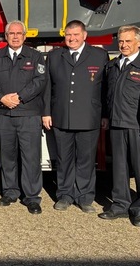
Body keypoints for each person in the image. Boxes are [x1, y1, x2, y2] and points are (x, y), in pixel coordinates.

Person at [42, 20, 108, 213]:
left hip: (89, 117)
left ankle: (85, 197)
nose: (71, 38)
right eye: (68, 35)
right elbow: (48, 87)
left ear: (85, 35)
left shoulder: (99, 55)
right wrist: (46, 112)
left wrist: (105, 114)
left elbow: (105, 89)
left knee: (86, 159)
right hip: (61, 116)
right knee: (64, 159)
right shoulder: (55, 56)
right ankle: (64, 195)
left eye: (76, 35)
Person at [0, 20, 46, 214]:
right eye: (11, 33)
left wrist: (19, 97)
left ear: (25, 36)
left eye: (19, 33)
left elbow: (40, 81)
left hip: (28, 114)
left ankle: (31, 197)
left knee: (30, 157)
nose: (15, 36)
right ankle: (10, 192)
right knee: (8, 155)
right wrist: (2, 98)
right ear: (6, 35)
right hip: (4, 113)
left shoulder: (35, 56)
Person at [98, 25, 140, 227]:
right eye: (121, 41)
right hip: (116, 123)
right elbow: (107, 94)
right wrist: (105, 116)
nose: (123, 45)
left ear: (139, 42)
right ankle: (120, 205)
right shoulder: (113, 66)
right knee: (119, 168)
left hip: (139, 126)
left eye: (128, 41)